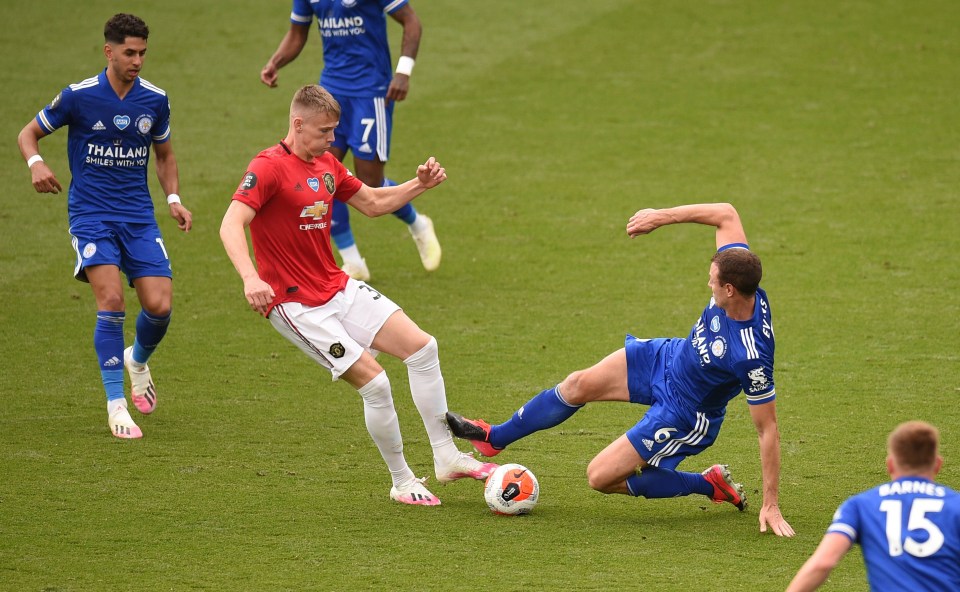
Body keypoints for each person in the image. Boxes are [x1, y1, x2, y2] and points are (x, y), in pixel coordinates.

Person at [447, 203, 796, 536]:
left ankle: (708, 484)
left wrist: (772, 504)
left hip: (686, 412)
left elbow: (768, 430)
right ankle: (496, 438)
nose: (709, 284)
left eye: (712, 281)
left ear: (730, 289)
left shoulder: (751, 355)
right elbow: (725, 213)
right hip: (668, 357)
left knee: (600, 477)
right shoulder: (740, 270)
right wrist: (661, 217)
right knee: (577, 384)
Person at [220, 84, 494, 506]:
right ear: (298, 124)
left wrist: (417, 185)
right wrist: (249, 277)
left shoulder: (327, 164)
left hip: (336, 286)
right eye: (326, 131)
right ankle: (402, 481)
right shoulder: (268, 167)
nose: (333, 139)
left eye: (334, 130)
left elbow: (371, 202)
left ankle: (446, 456)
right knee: (377, 385)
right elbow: (231, 222)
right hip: (293, 303)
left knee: (423, 348)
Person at [17, 13, 192, 440]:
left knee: (160, 306)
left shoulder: (154, 99)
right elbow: (28, 133)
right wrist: (36, 164)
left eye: (143, 53)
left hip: (138, 216)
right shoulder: (78, 97)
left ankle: (137, 360)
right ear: (108, 51)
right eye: (129, 53)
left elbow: (165, 155)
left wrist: (173, 199)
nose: (137, 61)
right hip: (91, 216)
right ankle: (116, 403)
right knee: (112, 300)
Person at [259, 0, 440, 282]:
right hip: (331, 92)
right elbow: (298, 32)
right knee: (320, 172)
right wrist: (275, 62)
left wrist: (403, 72)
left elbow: (411, 21)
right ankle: (353, 260)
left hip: (371, 92)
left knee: (370, 182)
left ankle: (418, 224)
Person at [786, 421, 960, 591]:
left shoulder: (860, 505)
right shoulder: (956, 505)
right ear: (937, 464)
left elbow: (824, 563)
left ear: (890, 464)